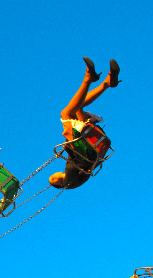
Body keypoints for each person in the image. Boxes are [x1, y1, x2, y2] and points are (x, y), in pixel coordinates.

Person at [49, 58, 120, 190]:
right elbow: (67, 178)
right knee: (65, 114)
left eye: (53, 176)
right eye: (54, 179)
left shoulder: (72, 171)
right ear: (59, 184)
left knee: (77, 108)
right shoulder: (70, 183)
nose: (54, 177)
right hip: (86, 150)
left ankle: (107, 83)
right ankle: (89, 79)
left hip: (86, 146)